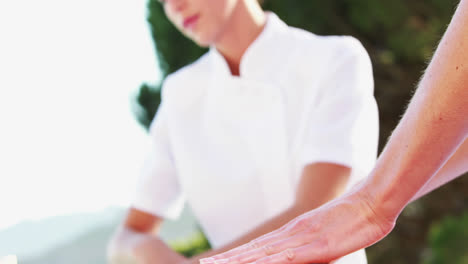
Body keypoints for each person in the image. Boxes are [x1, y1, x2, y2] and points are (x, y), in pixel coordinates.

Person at [107, 0, 380, 263]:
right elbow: (126, 237)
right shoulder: (180, 95)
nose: (175, 6)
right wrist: (144, 248)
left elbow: (315, 217)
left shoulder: (335, 60)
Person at [200, 0, 468, 263]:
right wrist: (372, 197)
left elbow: (318, 200)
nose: (174, 5)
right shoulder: (184, 92)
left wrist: (373, 200)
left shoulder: (333, 55)